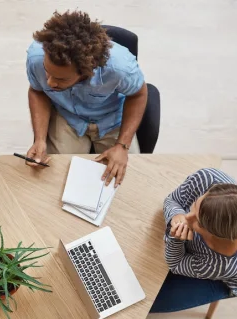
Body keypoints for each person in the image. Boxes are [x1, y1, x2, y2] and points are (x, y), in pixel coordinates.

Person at [25, 11, 147, 187]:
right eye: (47, 72)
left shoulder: (120, 68)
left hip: (111, 119)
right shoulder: (37, 56)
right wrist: (39, 140)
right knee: (52, 179)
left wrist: (122, 146)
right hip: (67, 116)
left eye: (60, 79)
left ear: (85, 72)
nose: (50, 82)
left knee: (128, 182)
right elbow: (38, 91)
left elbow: (139, 94)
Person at [150, 168, 237, 313]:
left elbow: (176, 263)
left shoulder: (219, 266)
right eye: (195, 204)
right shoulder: (208, 178)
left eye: (198, 222)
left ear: (215, 235)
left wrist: (175, 239)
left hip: (220, 279)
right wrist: (176, 215)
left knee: (149, 301)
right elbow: (172, 200)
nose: (187, 217)